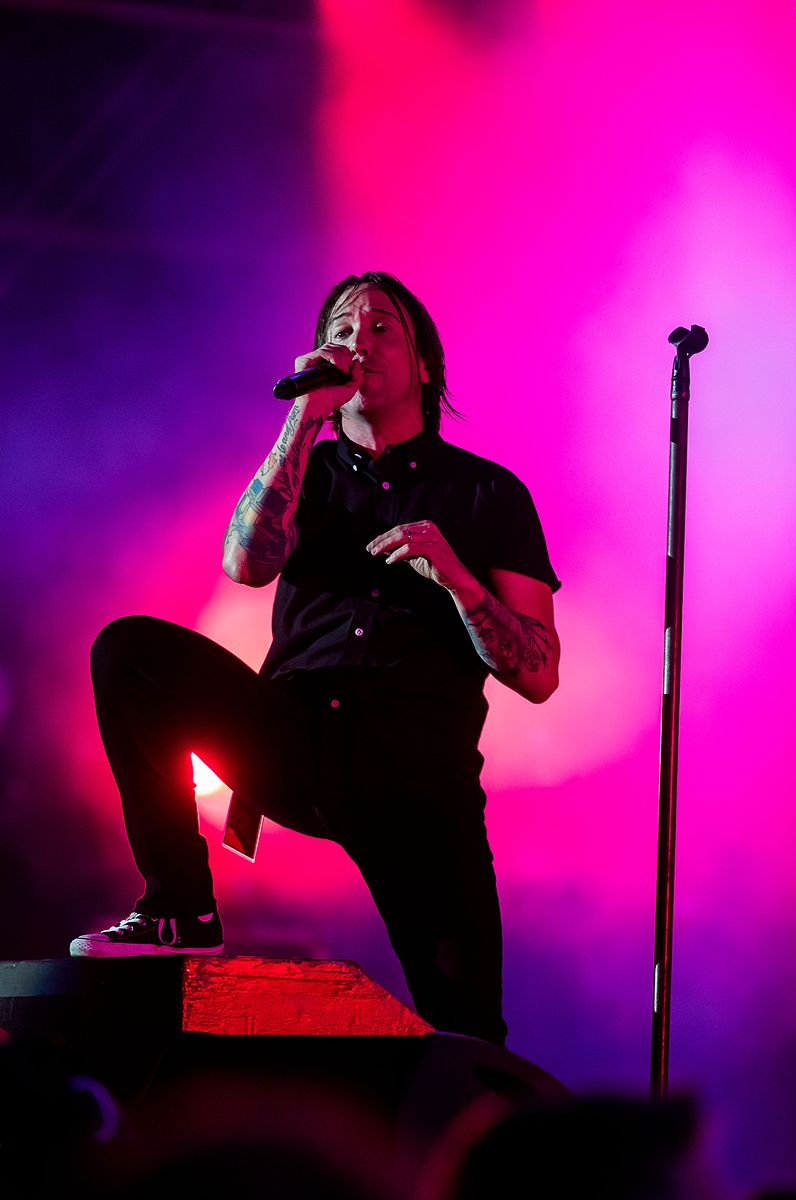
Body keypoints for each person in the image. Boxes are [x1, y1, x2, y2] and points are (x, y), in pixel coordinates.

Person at [70, 271, 561, 1047]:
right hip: (295, 738)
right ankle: (179, 907)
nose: (359, 342)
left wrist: (458, 580)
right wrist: (303, 418)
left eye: (381, 327)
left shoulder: (488, 494)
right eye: (342, 330)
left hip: (416, 780)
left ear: (423, 364)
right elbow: (245, 564)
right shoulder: (307, 471)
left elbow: (538, 672)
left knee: (468, 1036)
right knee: (128, 650)